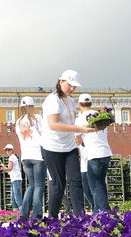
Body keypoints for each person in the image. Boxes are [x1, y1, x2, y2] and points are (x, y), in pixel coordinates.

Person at [40, 70, 97, 218]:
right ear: (61, 82)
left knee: (76, 181)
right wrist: (79, 129)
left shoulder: (71, 101)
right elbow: (53, 125)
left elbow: (74, 122)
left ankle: (81, 217)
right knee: (59, 185)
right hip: (52, 147)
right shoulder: (52, 100)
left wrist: (91, 126)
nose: (72, 89)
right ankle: (52, 219)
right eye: (69, 85)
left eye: (74, 86)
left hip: (69, 146)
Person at [75, 93, 113, 211]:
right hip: (106, 153)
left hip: (94, 155)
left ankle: (101, 213)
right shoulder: (99, 115)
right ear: (90, 103)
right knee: (101, 184)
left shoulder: (80, 118)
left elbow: (77, 138)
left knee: (95, 186)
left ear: (79, 104)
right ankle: (105, 210)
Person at [15, 96, 46, 219]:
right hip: (37, 155)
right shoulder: (37, 118)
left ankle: (24, 214)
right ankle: (37, 215)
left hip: (25, 157)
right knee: (38, 185)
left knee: (31, 185)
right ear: (32, 106)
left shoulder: (18, 122)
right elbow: (45, 134)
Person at [1, 144, 23, 211]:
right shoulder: (13, 157)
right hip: (15, 178)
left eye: (8, 150)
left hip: (15, 178)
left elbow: (9, 168)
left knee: (16, 195)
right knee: (14, 195)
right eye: (6, 150)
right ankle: (15, 209)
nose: (7, 151)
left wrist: (2, 166)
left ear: (12, 150)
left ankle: (22, 209)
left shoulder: (12, 157)